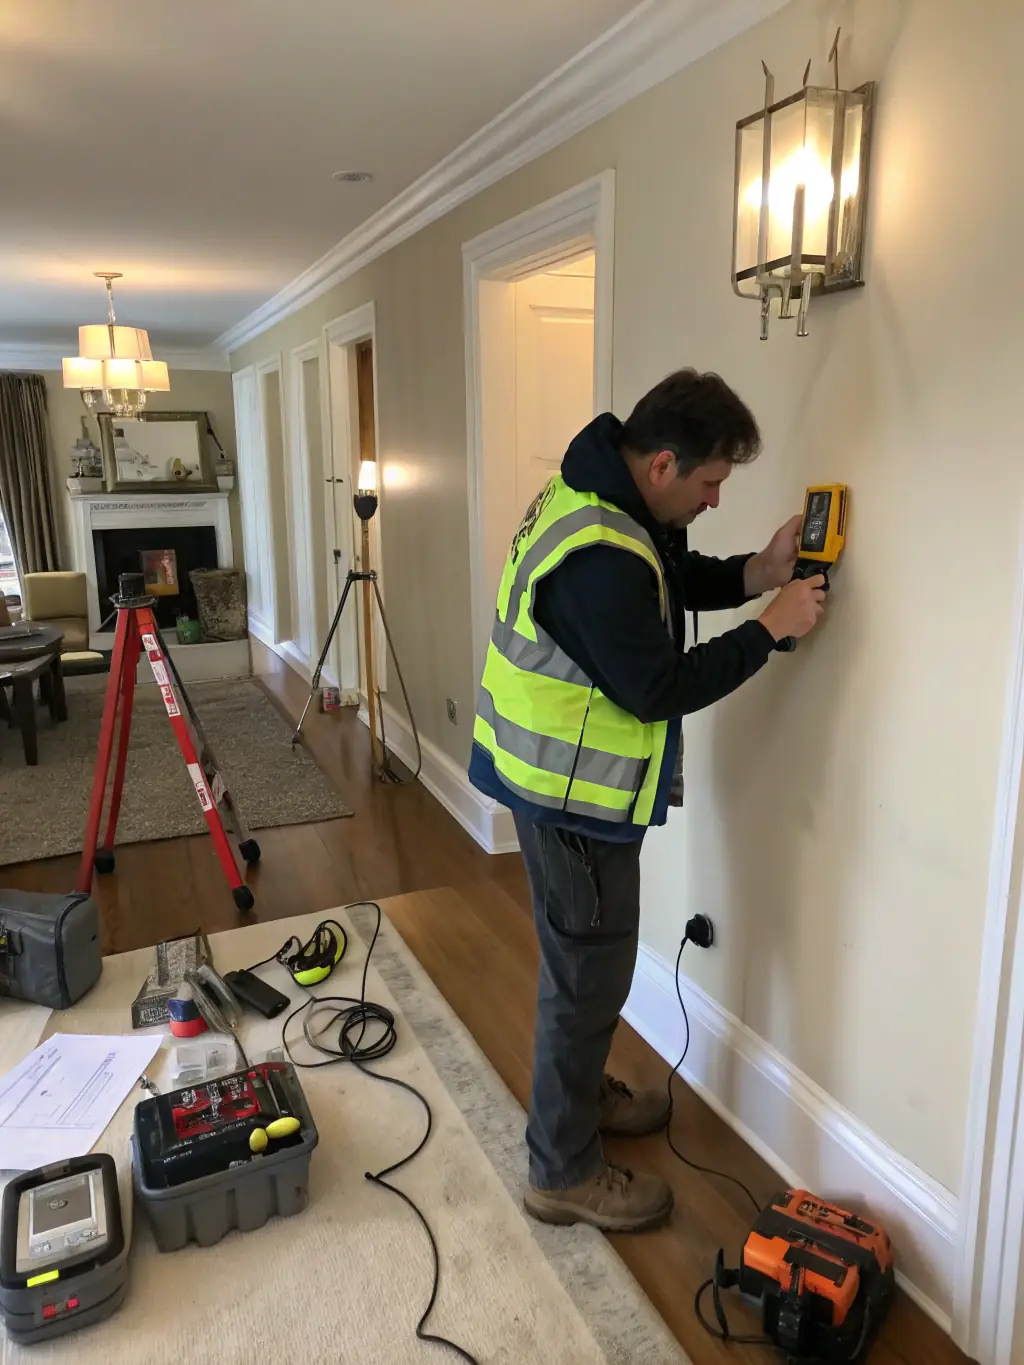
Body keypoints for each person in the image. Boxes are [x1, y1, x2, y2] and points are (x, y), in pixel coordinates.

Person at [468, 369, 827, 1233]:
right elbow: (655, 683)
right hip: (568, 796)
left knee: (585, 969)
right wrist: (772, 626)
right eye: (708, 483)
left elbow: (666, 578)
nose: (711, 501)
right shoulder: (597, 549)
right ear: (664, 464)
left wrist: (758, 570)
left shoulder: (607, 490)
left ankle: (579, 1098)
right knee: (588, 978)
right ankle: (561, 1170)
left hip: (550, 778)